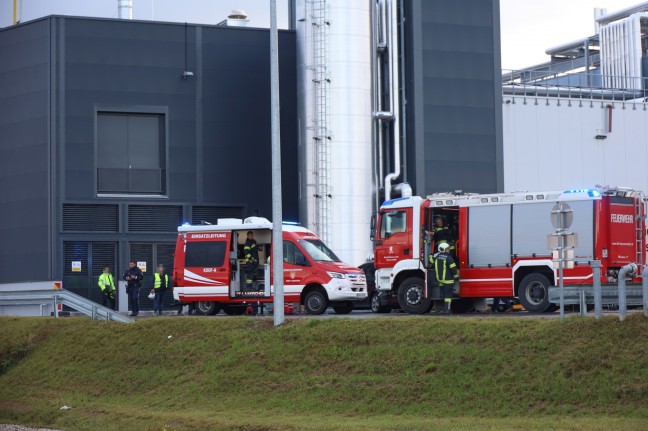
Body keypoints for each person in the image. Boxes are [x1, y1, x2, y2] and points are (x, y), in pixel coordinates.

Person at [432, 242, 459, 315]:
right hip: (448, 281)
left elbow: (430, 261)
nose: (449, 250)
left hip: (440, 280)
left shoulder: (436, 257)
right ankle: (447, 311)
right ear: (443, 249)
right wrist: (456, 277)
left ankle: (440, 305)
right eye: (447, 249)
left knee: (442, 295)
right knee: (448, 296)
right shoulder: (449, 258)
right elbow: (453, 269)